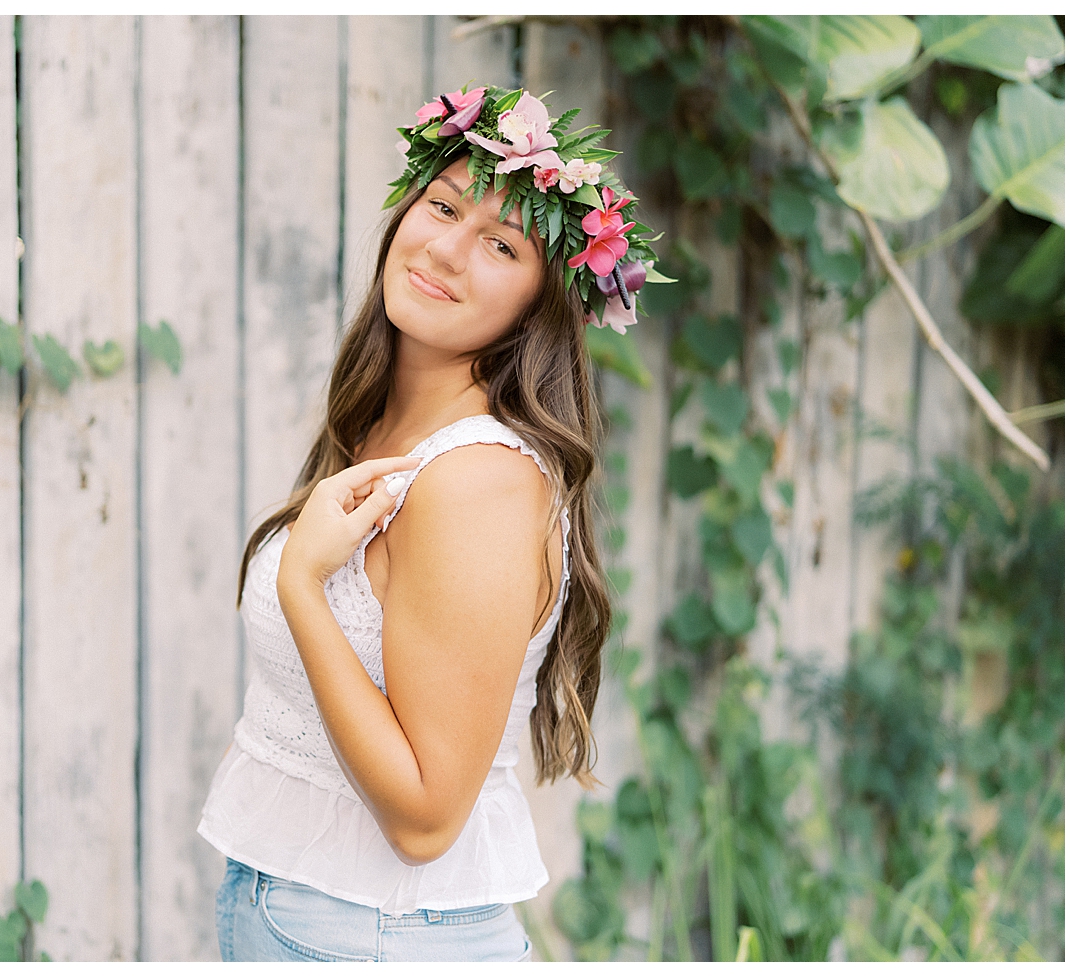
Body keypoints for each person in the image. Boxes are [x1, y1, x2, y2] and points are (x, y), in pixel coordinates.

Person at [197, 83, 664, 962]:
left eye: (499, 242)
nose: (446, 249)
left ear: (543, 302)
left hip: (381, 935)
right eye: (443, 205)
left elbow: (425, 817)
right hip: (307, 912)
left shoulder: (476, 480)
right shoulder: (386, 426)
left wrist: (302, 582)